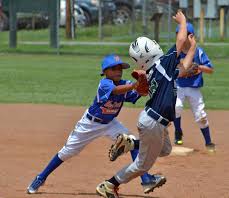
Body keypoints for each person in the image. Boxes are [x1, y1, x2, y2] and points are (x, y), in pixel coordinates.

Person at [26, 54, 165, 194]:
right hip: (89, 124)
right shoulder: (105, 84)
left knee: (132, 142)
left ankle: (146, 180)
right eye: (113, 68)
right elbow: (117, 91)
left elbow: (138, 93)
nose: (118, 71)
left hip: (110, 124)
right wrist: (134, 85)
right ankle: (41, 177)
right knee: (67, 152)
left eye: (120, 68)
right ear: (105, 72)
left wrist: (147, 84)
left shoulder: (125, 83)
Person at [96, 11, 197, 198]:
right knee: (142, 165)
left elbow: (182, 71)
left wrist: (191, 50)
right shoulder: (162, 64)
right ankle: (109, 185)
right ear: (151, 49)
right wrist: (183, 22)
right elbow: (181, 40)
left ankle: (130, 143)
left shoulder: (156, 70)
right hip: (153, 122)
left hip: (156, 121)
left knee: (165, 150)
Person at [173, 22, 216, 152]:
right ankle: (178, 131)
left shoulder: (198, 51)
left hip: (194, 88)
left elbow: (210, 69)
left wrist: (198, 66)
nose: (179, 37)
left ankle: (208, 142)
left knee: (200, 115)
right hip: (178, 86)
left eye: (182, 34)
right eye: (178, 34)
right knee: (176, 107)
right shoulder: (175, 51)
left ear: (191, 36)